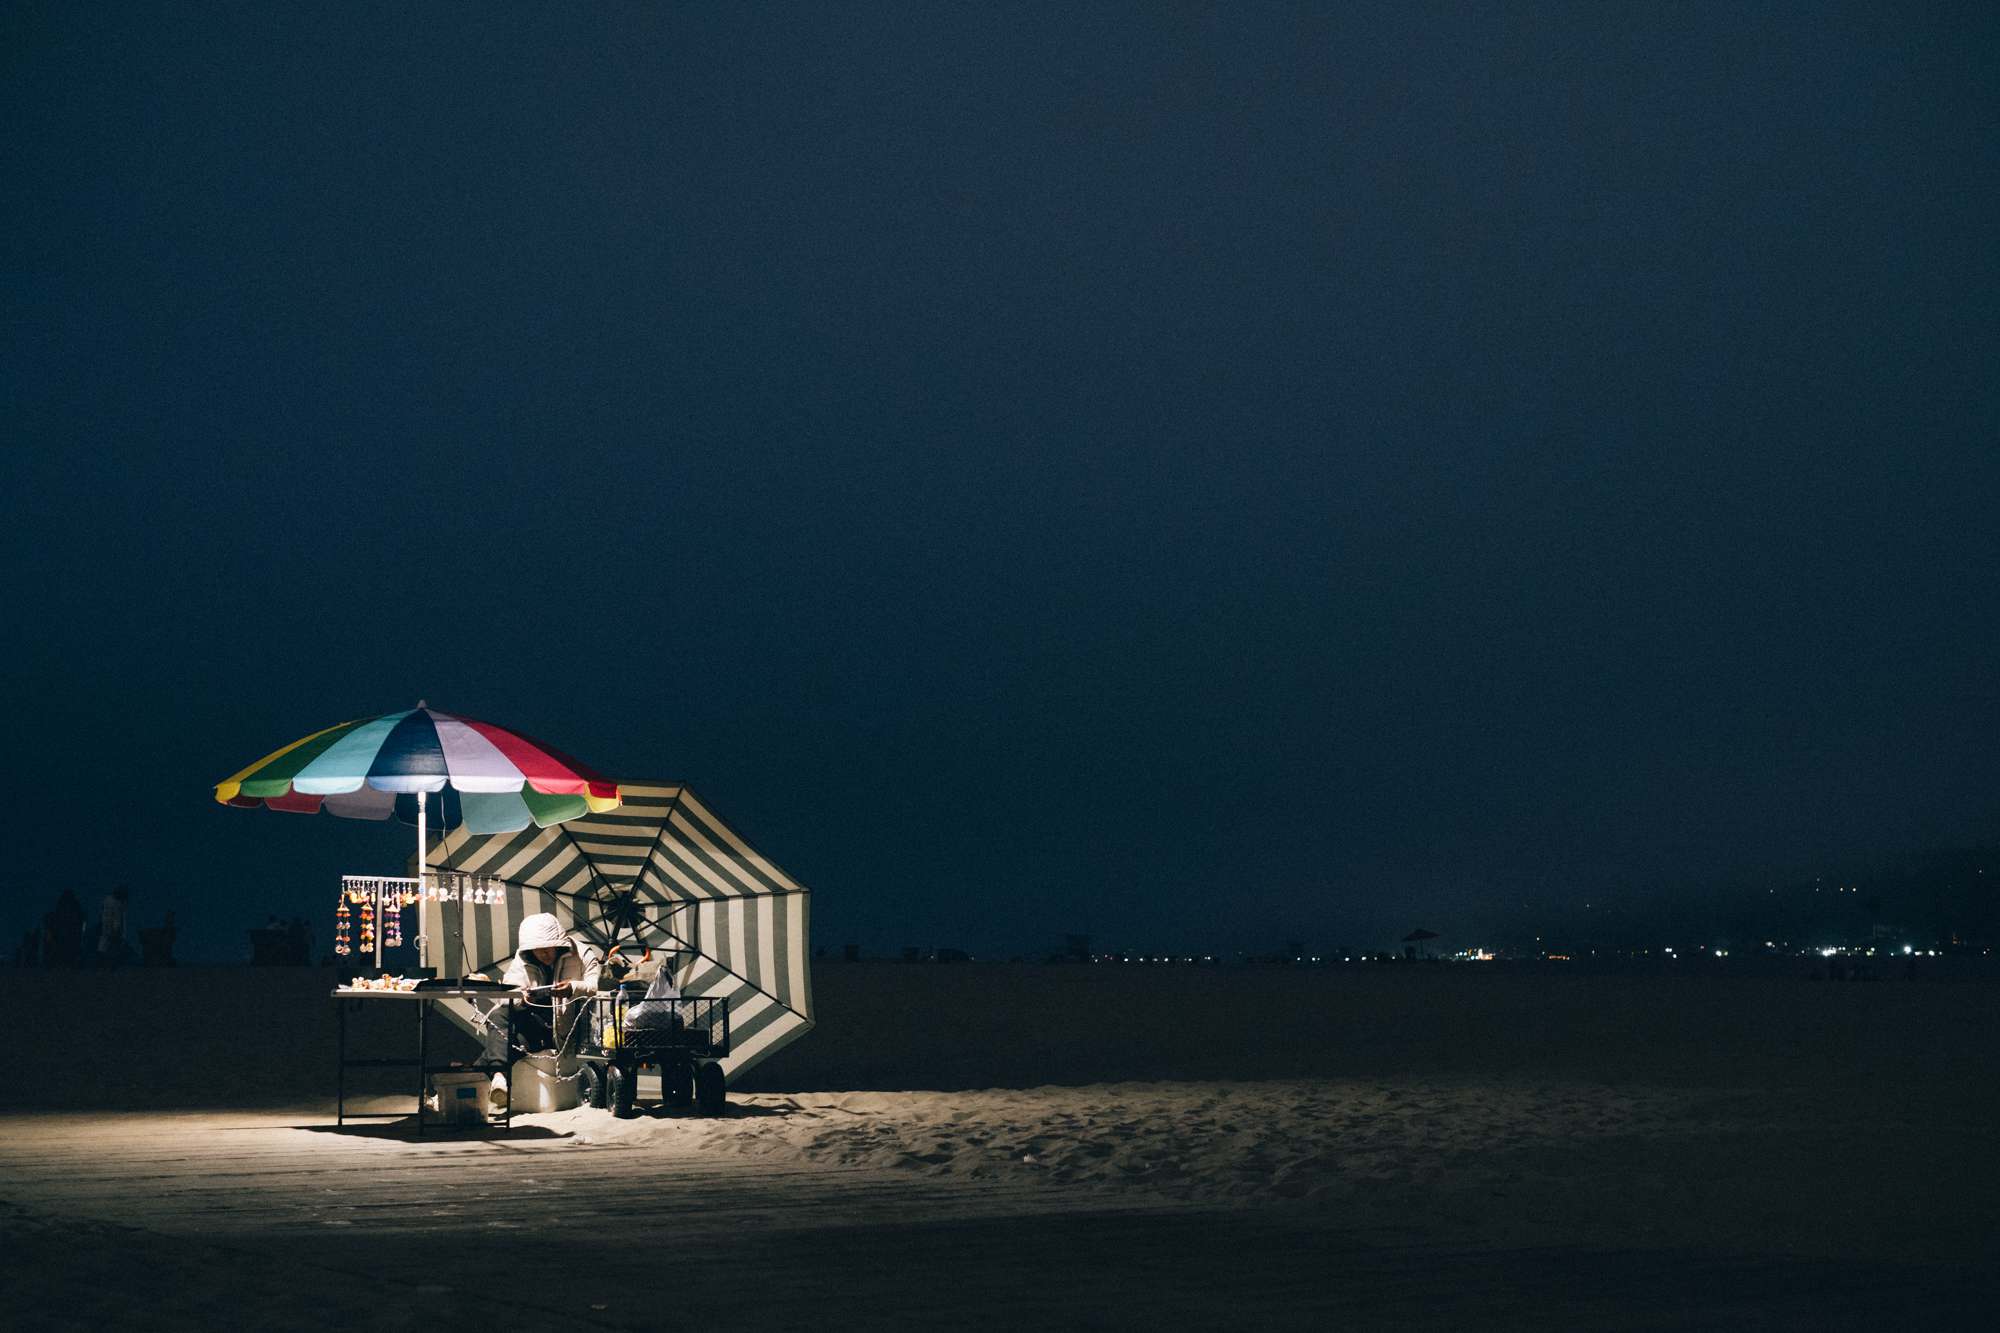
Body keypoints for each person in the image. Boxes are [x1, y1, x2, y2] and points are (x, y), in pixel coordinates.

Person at [476, 913, 603, 1113]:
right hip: (533, 1025)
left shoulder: (583, 954)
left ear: (557, 943)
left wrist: (573, 988)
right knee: (499, 1017)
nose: (544, 955)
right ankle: (498, 1076)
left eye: (546, 949)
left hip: (566, 1028)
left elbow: (596, 986)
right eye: (538, 951)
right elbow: (507, 995)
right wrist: (523, 999)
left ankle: (463, 1081)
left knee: (501, 1048)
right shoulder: (523, 958)